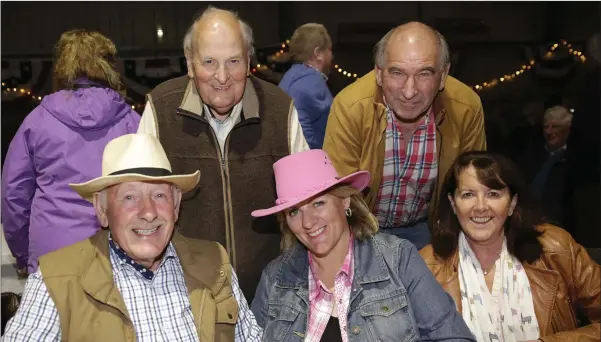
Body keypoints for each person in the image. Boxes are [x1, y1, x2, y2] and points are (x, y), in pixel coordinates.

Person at [3, 133, 262, 341]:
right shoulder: (56, 279)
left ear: (176, 204)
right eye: (129, 197)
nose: (148, 213)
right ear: (102, 210)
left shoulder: (215, 263)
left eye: (159, 195)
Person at [137, 6, 309, 299]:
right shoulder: (160, 109)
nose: (222, 76)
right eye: (209, 62)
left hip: (269, 293)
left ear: (248, 61)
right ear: (190, 65)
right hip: (188, 294)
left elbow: (307, 200)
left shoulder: (279, 109)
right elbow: (141, 206)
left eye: (233, 61)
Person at [250, 149, 476, 341]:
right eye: (294, 212)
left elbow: (453, 336)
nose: (308, 222)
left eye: (319, 203)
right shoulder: (276, 278)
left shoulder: (397, 259)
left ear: (345, 201)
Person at [323, 22, 486, 250]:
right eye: (397, 73)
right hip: (365, 228)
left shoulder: (466, 108)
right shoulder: (350, 107)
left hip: (429, 229)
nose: (409, 92)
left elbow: (472, 189)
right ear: (378, 74)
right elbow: (339, 194)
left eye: (424, 74)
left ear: (443, 75)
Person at [420, 151, 600, 341]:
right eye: (468, 194)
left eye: (493, 194)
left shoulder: (555, 248)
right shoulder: (426, 266)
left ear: (512, 203)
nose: (480, 206)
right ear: (453, 204)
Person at [1, 29, 140, 276]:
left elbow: (14, 196)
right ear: (109, 65)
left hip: (52, 257)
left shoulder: (38, 120)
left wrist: (23, 254)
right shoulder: (133, 122)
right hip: (116, 255)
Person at [279, 23, 334, 149]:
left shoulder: (290, 76)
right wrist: (318, 156)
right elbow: (300, 129)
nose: (331, 55)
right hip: (310, 164)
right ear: (318, 53)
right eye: (329, 49)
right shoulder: (311, 81)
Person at [518, 106, 572, 229]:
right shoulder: (535, 154)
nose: (548, 131)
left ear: (567, 129)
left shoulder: (573, 159)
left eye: (555, 127)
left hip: (559, 226)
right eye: (545, 127)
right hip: (530, 222)